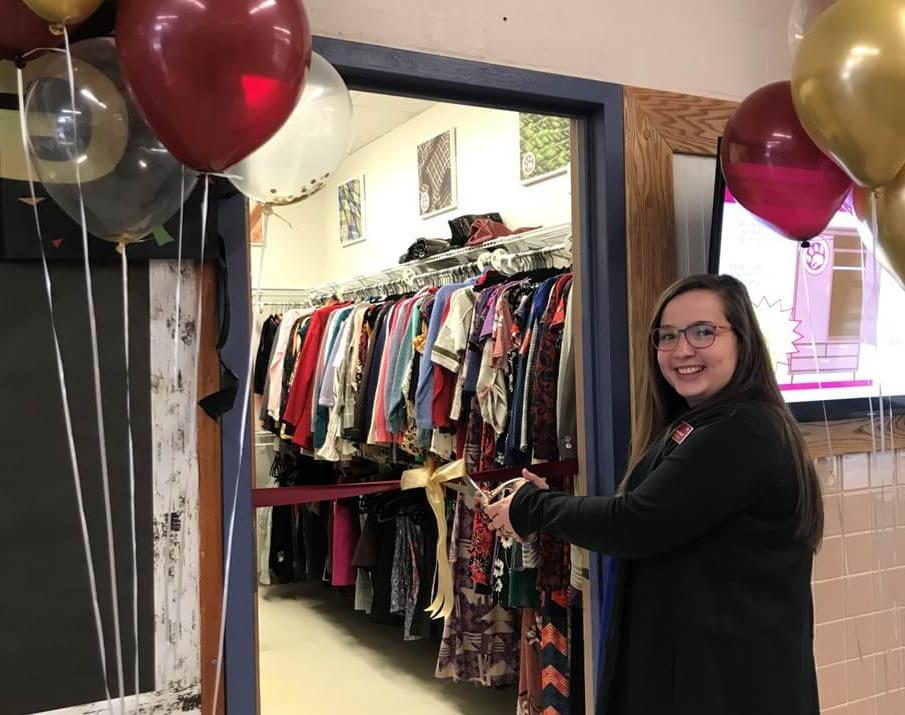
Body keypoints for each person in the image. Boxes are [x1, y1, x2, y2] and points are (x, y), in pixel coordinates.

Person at [485, 274, 823, 715]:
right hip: (707, 674)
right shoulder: (701, 423)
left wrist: (533, 507)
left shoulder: (741, 430)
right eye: (667, 336)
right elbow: (658, 513)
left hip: (729, 685)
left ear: (743, 341)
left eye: (704, 332)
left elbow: (632, 523)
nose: (682, 350)